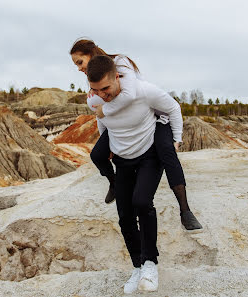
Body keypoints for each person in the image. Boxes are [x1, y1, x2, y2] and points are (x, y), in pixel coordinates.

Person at [70, 39, 202, 232]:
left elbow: (129, 95)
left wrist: (177, 138)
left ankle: (185, 211)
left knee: (167, 151)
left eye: (79, 62)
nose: (79, 68)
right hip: (122, 122)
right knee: (98, 154)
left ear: (90, 53)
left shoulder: (120, 62)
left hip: (154, 116)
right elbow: (100, 109)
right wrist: (107, 139)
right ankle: (114, 183)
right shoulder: (95, 78)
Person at [86, 55, 184, 293]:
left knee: (142, 201)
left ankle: (150, 264)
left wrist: (177, 139)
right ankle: (137, 266)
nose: (103, 95)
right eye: (96, 90)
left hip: (149, 155)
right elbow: (104, 124)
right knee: (124, 217)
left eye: (106, 88)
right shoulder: (99, 100)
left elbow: (173, 107)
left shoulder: (143, 91)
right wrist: (105, 145)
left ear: (117, 77)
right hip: (123, 161)